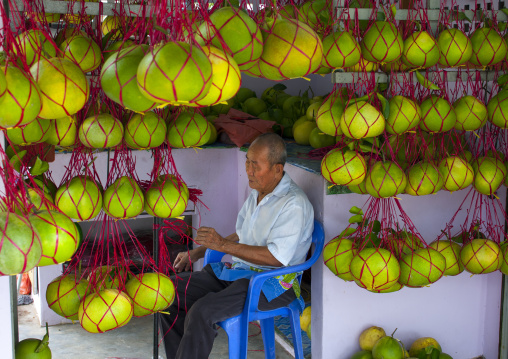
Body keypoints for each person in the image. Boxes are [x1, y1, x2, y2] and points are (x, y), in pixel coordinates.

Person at [160, 133, 314, 359]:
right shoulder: (258, 193)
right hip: (240, 273)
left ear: (277, 170)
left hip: (271, 284)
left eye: (255, 165)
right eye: (247, 162)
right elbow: (242, 235)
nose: (249, 170)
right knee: (167, 293)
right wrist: (198, 252)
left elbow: (275, 258)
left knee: (202, 311)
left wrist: (221, 244)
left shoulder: (294, 204)